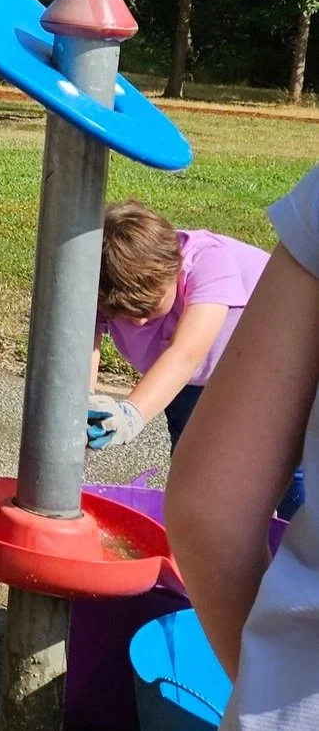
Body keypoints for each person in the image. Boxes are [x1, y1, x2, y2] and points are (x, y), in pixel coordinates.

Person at [166, 165, 319, 729]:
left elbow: (209, 511)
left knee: (294, 488)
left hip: (297, 702)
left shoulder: (210, 266)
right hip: (231, 394)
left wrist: (267, 676)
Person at [87, 200, 273, 458]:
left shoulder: (208, 262)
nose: (139, 323)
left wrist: (129, 416)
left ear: (174, 270)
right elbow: (83, 344)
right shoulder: (104, 281)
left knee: (278, 458)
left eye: (150, 307)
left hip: (273, 368)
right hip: (190, 379)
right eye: (123, 315)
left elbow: (185, 354)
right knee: (193, 460)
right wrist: (82, 404)